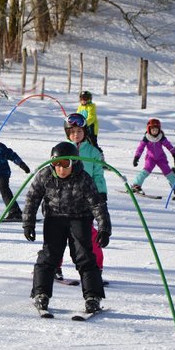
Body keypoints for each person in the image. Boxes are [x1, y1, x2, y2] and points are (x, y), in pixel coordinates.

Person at [23, 142, 111, 314]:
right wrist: (28, 223)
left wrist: (104, 228)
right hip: (54, 219)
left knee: (84, 256)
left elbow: (97, 204)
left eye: (65, 164)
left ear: (74, 163)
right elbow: (32, 198)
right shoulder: (45, 175)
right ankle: (41, 293)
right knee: (49, 256)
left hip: (80, 219)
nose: (61, 169)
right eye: (56, 164)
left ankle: (93, 296)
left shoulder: (84, 178)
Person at [54, 113, 107, 282]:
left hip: (86, 200)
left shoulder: (92, 152)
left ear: (85, 132)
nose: (75, 135)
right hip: (64, 200)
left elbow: (98, 174)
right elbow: (53, 173)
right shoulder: (62, 150)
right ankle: (55, 266)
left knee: (89, 236)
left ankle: (95, 268)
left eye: (79, 131)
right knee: (59, 236)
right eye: (72, 131)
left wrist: (101, 192)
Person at [131, 118, 175, 198]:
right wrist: (137, 157)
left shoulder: (161, 138)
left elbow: (168, 145)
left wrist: (174, 153)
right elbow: (140, 148)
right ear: (149, 129)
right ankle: (136, 185)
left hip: (161, 158)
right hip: (150, 158)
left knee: (168, 172)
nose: (155, 132)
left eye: (156, 130)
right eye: (153, 130)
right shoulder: (146, 138)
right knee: (145, 171)